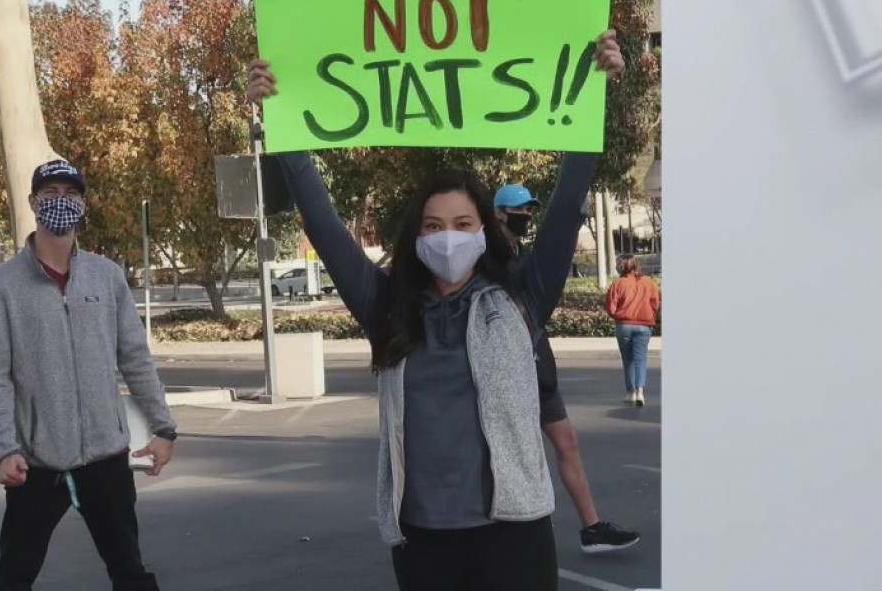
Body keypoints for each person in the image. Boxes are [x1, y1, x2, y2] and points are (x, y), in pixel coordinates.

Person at [246, 30, 623, 591]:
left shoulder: (522, 296)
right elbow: (323, 224)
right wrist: (280, 121)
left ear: (485, 230)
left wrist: (597, 93)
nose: (449, 238)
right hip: (422, 539)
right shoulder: (386, 307)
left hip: (515, 535)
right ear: (415, 236)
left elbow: (569, 203)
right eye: (433, 226)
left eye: (463, 224)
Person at [0, 159, 177, 591]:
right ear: (33, 203)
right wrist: (3, 449)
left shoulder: (107, 277)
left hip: (105, 458)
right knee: (12, 577)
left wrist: (163, 427)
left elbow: (136, 358)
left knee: (130, 572)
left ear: (83, 204)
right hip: (34, 463)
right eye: (50, 194)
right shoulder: (3, 286)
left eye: (70, 194)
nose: (60, 202)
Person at [494, 184, 642, 554]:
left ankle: (592, 528)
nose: (525, 215)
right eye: (518, 209)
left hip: (538, 365)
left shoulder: (522, 253)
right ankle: (490, 532)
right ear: (498, 212)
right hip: (504, 372)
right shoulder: (483, 257)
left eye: (529, 209)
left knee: (567, 441)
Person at [605, 253, 661, 407]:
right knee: (641, 359)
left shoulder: (618, 284)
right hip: (644, 325)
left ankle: (630, 393)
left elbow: (611, 307)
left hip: (624, 325)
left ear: (621, 267)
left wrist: (618, 316)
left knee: (628, 360)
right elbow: (656, 303)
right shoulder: (649, 282)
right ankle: (640, 392)